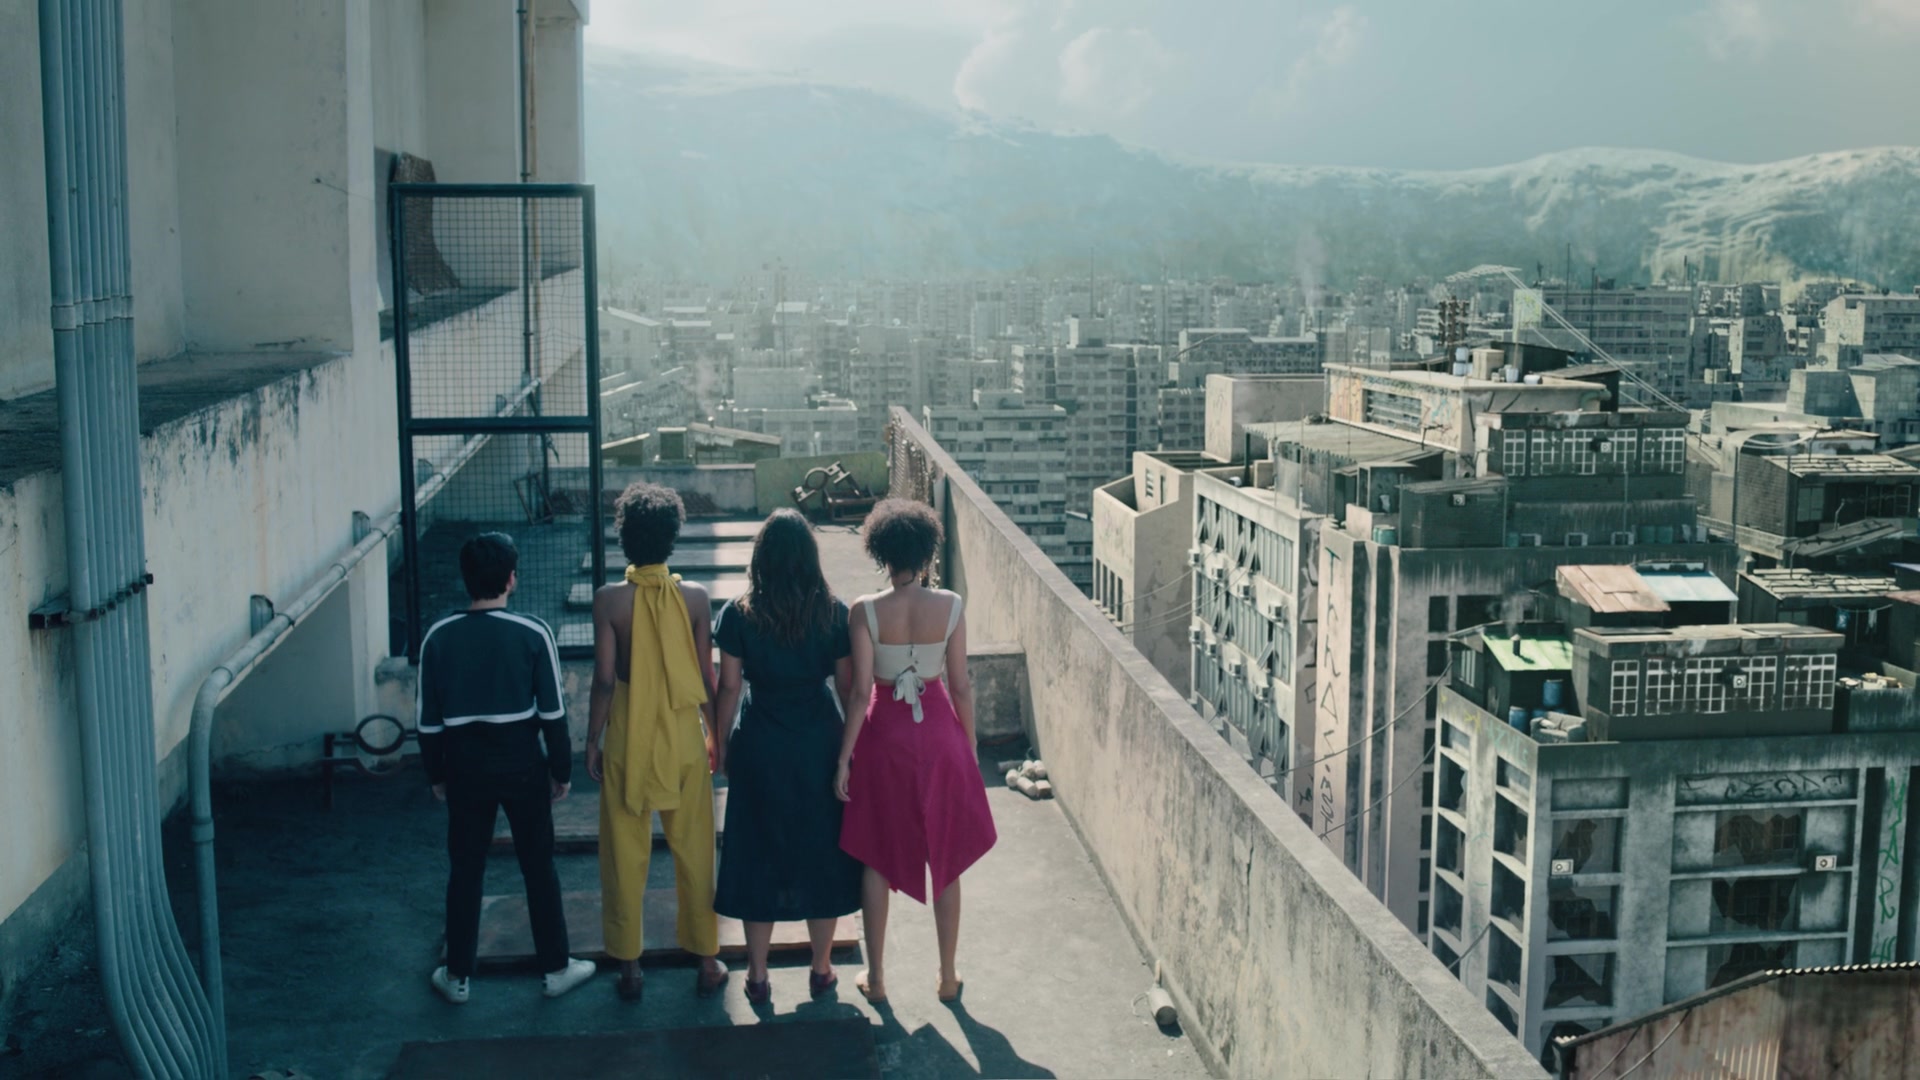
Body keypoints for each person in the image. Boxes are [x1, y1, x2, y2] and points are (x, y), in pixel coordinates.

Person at [418, 532, 596, 1004]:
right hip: (523, 767)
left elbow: (428, 723)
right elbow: (554, 716)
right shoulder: (533, 633)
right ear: (512, 579)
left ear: (465, 579)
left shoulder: (438, 637)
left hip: (464, 770)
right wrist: (562, 772)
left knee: (466, 870)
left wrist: (436, 776)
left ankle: (457, 977)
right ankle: (556, 969)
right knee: (538, 867)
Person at [835, 499, 996, 1005]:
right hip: (941, 735)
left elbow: (860, 692)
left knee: (876, 855)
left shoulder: (864, 610)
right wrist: (968, 746)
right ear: (927, 553)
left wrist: (844, 757)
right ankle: (947, 977)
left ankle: (877, 978)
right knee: (946, 855)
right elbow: (960, 685)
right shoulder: (951, 605)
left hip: (884, 738)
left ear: (880, 552)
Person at [712, 509, 863, 1006]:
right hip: (818, 744)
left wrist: (721, 743)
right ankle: (821, 969)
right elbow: (847, 688)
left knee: (756, 855)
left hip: (760, 744)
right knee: (821, 854)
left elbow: (729, 687)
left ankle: (757, 976)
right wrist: (849, 753)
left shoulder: (738, 614)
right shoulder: (834, 613)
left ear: (761, 558)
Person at [587, 482, 728, 1001]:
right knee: (695, 849)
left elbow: (605, 681)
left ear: (624, 537)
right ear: (672, 537)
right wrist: (716, 736)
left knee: (624, 854)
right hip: (683, 735)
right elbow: (707, 677)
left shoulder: (609, 600)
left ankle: (630, 968)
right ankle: (707, 961)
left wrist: (592, 741)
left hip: (628, 735)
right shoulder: (695, 598)